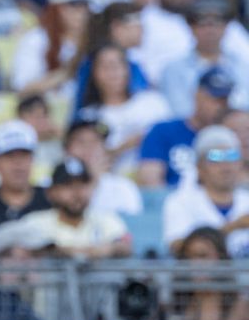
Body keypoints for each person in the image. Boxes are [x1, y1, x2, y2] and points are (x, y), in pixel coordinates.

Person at [0, 158, 132, 259]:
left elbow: (126, 247)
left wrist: (110, 249)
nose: (77, 192)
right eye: (68, 185)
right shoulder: (35, 222)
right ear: (51, 192)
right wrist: (64, 251)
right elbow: (3, 243)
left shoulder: (106, 219)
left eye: (82, 185)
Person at [78, 43, 171, 174]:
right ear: (94, 73)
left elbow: (170, 140)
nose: (113, 72)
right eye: (105, 67)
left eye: (118, 65)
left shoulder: (153, 102)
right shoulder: (88, 116)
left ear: (128, 69)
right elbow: (89, 161)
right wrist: (124, 146)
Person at [139, 66, 233, 188]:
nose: (220, 106)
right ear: (197, 96)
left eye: (224, 100)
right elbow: (152, 182)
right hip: (173, 202)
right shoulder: (163, 131)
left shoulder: (230, 136)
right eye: (214, 99)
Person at [11, 0, 98, 100]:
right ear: (56, 8)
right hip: (47, 111)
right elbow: (23, 88)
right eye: (73, 4)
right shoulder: (36, 40)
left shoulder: (99, 39)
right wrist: (67, 72)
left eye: (86, 5)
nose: (81, 11)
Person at [163, 124, 249, 256]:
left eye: (232, 156)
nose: (226, 166)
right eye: (215, 158)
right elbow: (177, 246)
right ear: (200, 167)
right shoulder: (181, 201)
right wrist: (233, 227)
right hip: (200, 276)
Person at [160, 0, 249, 119]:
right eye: (202, 24)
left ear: (226, 27)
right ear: (191, 28)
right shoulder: (174, 69)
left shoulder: (243, 65)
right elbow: (179, 111)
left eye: (216, 23)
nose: (210, 31)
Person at [63, 115, 143, 217]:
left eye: (95, 142)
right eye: (81, 142)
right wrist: (92, 181)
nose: (88, 148)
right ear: (66, 149)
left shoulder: (123, 187)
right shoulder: (52, 184)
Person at [171, 227, 249, 320]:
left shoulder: (242, 306)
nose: (195, 264)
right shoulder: (174, 304)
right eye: (189, 258)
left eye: (202, 256)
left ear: (221, 258)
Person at [0, 120, 50, 226]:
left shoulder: (50, 199)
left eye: (24, 155)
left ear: (33, 160)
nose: (18, 163)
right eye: (10, 156)